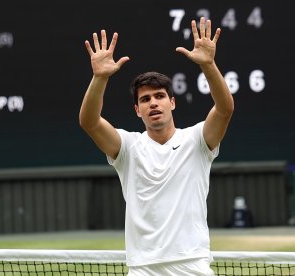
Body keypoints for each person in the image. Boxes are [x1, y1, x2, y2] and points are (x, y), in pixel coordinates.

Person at [79, 17, 234, 275]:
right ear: (137, 109)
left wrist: (209, 64)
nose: (153, 103)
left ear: (172, 103)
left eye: (160, 96)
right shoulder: (127, 147)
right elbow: (89, 122)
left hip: (192, 265)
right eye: (146, 99)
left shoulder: (197, 140)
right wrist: (99, 78)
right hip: (143, 268)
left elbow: (225, 109)